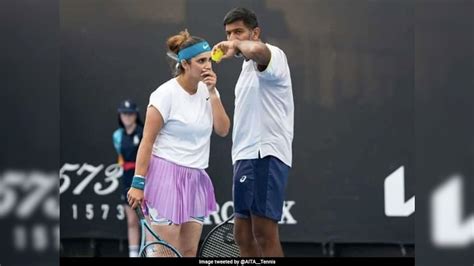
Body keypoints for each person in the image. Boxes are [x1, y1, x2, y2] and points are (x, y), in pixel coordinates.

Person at [127, 29, 230, 257]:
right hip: (165, 177)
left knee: (188, 252)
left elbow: (223, 130)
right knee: (165, 253)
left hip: (195, 179)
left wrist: (212, 92)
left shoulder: (208, 90)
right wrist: (138, 183)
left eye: (209, 60)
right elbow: (147, 142)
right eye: (200, 61)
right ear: (185, 64)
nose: (207, 66)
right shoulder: (164, 95)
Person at [212, 7, 294, 257]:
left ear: (255, 33)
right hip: (244, 157)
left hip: (265, 153)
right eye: (229, 33)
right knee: (242, 235)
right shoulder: (244, 72)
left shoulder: (273, 56)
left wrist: (236, 46)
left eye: (239, 32)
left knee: (263, 234)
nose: (232, 38)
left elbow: (257, 51)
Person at [112, 99, 144, 257]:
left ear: (135, 115)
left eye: (130, 113)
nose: (127, 116)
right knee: (131, 221)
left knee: (147, 221)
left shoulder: (143, 132)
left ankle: (150, 251)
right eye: (124, 113)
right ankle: (133, 254)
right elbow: (121, 159)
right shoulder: (117, 136)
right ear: (120, 116)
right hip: (126, 179)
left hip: (142, 178)